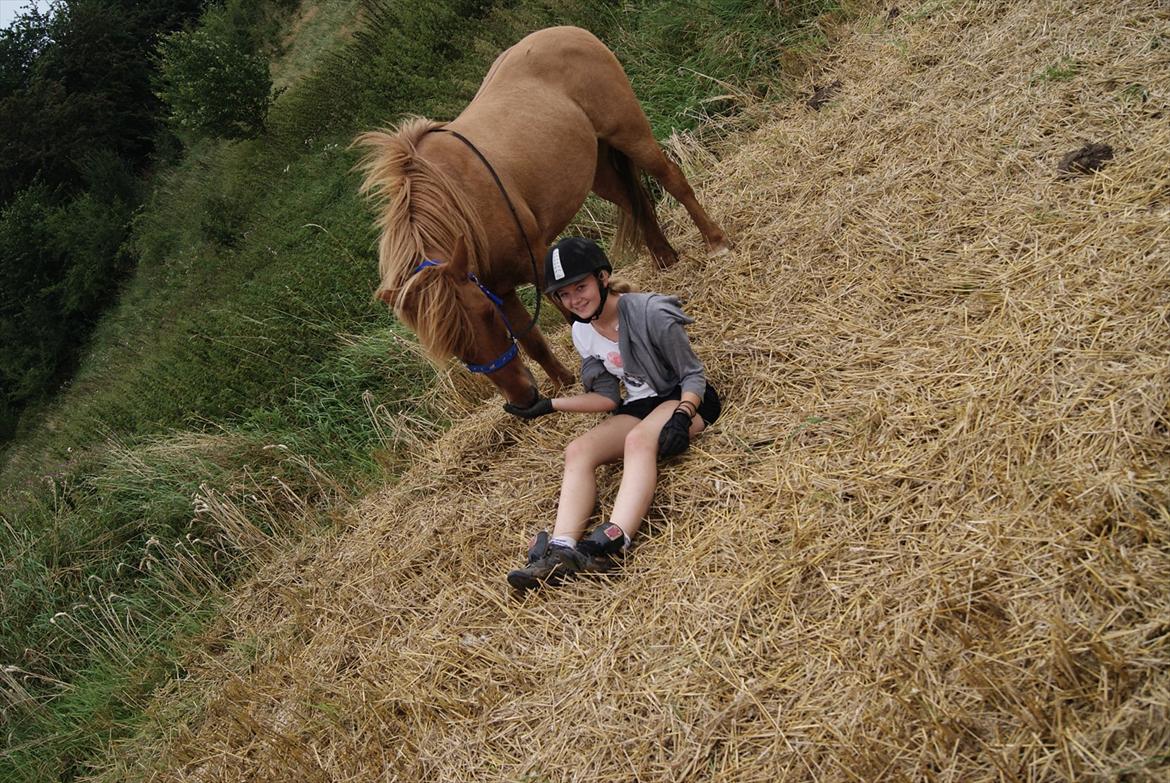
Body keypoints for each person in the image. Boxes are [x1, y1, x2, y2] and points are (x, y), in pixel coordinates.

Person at [503, 237, 721, 590]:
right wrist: (548, 406)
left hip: (680, 396)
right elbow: (606, 398)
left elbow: (693, 375)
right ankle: (561, 550)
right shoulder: (581, 332)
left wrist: (682, 414)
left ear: (602, 278)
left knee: (638, 441)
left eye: (581, 287)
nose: (575, 300)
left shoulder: (652, 312)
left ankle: (613, 540)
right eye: (565, 295)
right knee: (578, 450)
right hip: (639, 405)